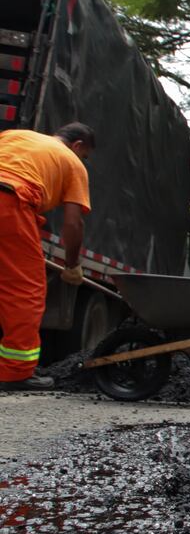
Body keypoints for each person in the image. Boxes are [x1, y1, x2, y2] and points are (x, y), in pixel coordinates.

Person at [0, 123, 94, 390]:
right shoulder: (72, 162)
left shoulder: (15, 135)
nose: (83, 159)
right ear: (77, 146)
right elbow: (73, 224)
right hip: (8, 202)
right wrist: (72, 265)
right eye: (84, 154)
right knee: (24, 291)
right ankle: (15, 373)